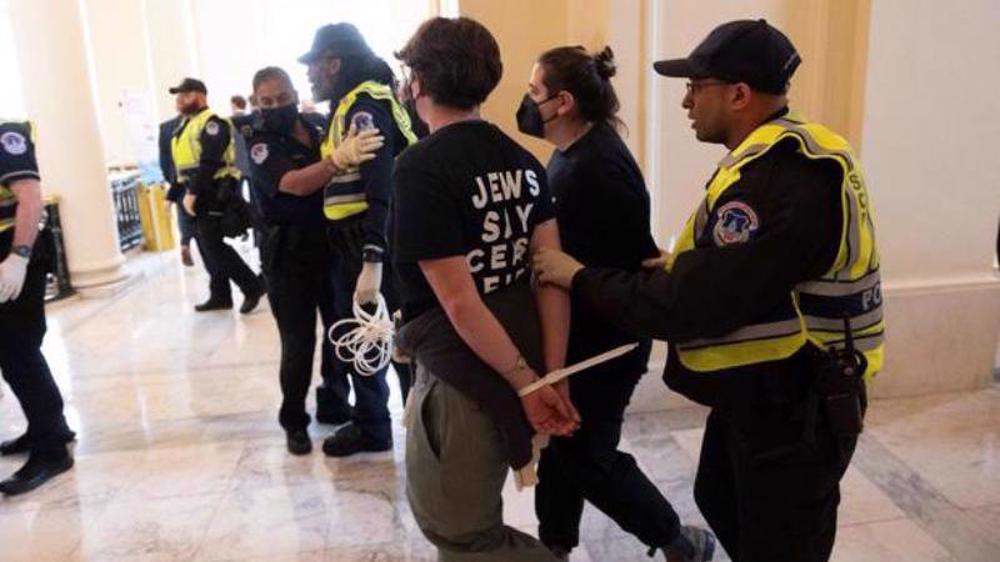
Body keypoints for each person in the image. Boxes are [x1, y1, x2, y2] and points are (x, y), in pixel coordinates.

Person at [534, 19, 884, 562]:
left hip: (797, 403)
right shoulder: (777, 160)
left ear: (739, 94)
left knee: (780, 542)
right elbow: (759, 270)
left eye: (696, 87)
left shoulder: (780, 176)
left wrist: (575, 274)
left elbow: (686, 306)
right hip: (764, 393)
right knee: (719, 498)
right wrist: (685, 265)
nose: (686, 102)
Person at [392, 17, 581, 562]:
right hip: (515, 353)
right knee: (467, 521)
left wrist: (530, 384)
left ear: (419, 83)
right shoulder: (523, 162)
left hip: (462, 369)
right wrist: (550, 372)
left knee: (457, 530)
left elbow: (457, 299)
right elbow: (551, 276)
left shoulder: (420, 167)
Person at [520, 45, 715, 561]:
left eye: (534, 91)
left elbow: (629, 262)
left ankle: (678, 540)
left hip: (607, 343)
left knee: (586, 455)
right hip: (581, 337)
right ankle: (556, 545)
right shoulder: (574, 152)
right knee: (564, 450)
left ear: (562, 102)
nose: (526, 100)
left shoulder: (598, 167)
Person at [246, 66, 385, 455]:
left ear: (294, 94)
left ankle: (334, 399)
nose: (276, 106)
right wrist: (338, 161)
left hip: (329, 246)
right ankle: (294, 420)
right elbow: (293, 183)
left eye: (282, 98)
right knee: (298, 342)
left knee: (339, 330)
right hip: (287, 255)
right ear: (256, 102)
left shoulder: (317, 124)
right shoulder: (258, 142)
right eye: (267, 101)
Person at [299, 23, 417, 456]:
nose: (309, 75)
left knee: (374, 337)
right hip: (368, 238)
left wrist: (372, 255)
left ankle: (382, 426)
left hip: (368, 239)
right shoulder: (358, 100)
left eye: (313, 65)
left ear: (334, 63)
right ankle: (399, 425)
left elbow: (380, 183)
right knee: (383, 336)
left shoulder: (363, 105)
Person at [0, 119, 76, 496]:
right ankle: (49, 427)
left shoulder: (5, 135)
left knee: (17, 351)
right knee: (15, 351)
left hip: (13, 256)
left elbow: (30, 197)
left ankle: (52, 450)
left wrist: (18, 258)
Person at [170, 77, 264, 313]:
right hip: (195, 190)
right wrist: (174, 193)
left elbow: (210, 160)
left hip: (212, 189)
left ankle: (251, 286)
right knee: (205, 245)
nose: (179, 100)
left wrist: (192, 193)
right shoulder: (186, 125)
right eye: (178, 96)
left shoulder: (212, 122)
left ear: (200, 96)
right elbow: (183, 165)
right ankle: (220, 294)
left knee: (213, 245)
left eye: (185, 95)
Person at [159, 113, 197, 267]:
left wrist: (170, 178)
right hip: (195, 176)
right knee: (196, 211)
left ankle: (184, 243)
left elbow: (163, 158)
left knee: (182, 211)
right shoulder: (197, 123)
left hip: (177, 176)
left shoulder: (166, 127)